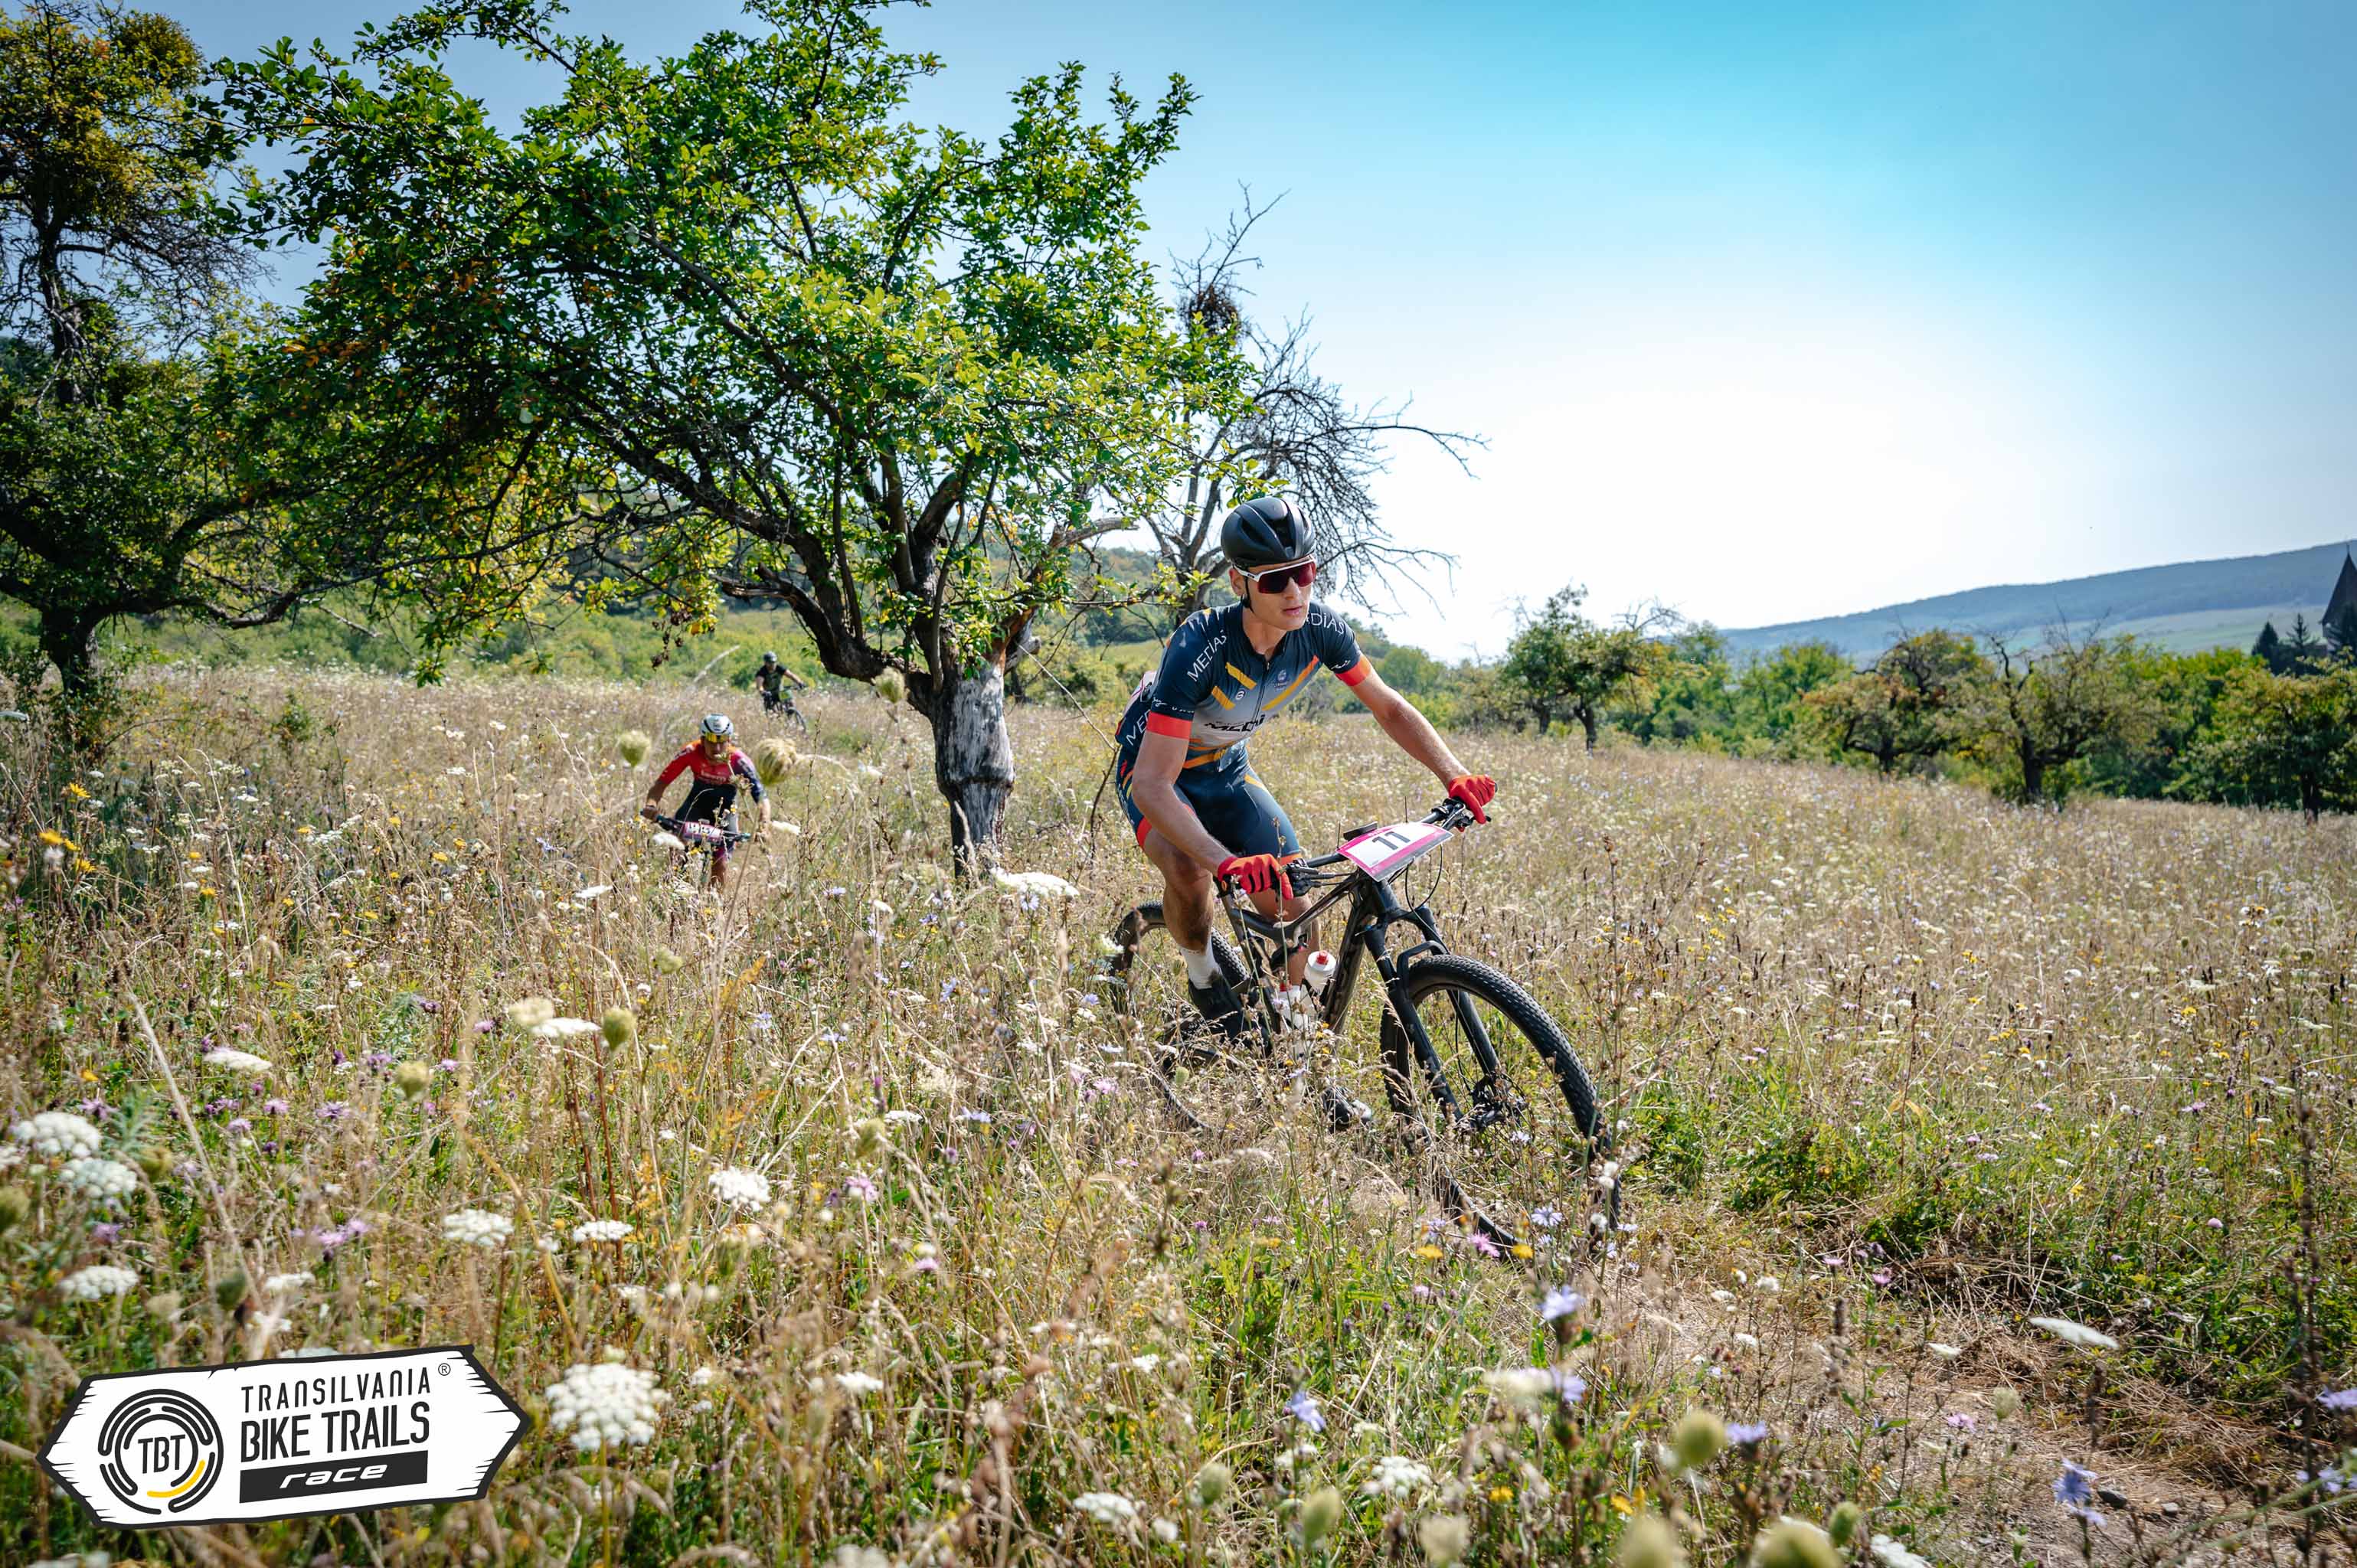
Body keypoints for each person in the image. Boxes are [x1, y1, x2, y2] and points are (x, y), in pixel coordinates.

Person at [1112, 495, 1496, 1034]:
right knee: (1188, 870)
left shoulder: (1320, 629)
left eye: (1306, 573)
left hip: (1225, 768)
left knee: (1295, 903)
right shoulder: (1200, 644)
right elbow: (1154, 785)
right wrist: (1226, 863)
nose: (1295, 591)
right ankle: (1203, 977)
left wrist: (1454, 774)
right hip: (1156, 769)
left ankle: (1297, 1050)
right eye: (1275, 581)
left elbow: (1388, 707)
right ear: (1240, 583)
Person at [642, 714, 771, 888]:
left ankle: (712, 902)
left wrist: (764, 826)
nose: (716, 747)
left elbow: (762, 797)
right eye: (711, 740)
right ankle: (671, 892)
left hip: (726, 810)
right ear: (702, 740)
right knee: (676, 851)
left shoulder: (739, 760)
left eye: (722, 741)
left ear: (729, 740)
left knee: (721, 865)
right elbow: (662, 783)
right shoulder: (691, 751)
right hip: (696, 804)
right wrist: (651, 805)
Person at [754, 652, 808, 718]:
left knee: (791, 702)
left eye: (774, 662)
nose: (772, 664)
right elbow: (759, 686)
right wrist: (762, 692)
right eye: (770, 663)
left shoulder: (779, 668)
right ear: (765, 663)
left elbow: (791, 675)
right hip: (769, 694)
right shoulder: (762, 672)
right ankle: (775, 719)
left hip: (780, 691)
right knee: (771, 713)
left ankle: (789, 718)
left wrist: (800, 682)